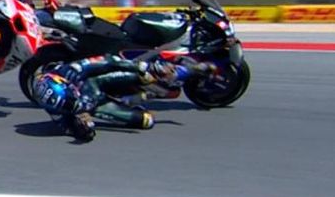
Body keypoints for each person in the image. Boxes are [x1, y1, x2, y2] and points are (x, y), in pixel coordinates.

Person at [32, 53, 215, 141]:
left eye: (69, 102)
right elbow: (73, 129)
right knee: (146, 121)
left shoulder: (73, 71)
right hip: (96, 104)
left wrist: (143, 66)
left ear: (67, 85)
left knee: (147, 75)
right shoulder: (54, 109)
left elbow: (110, 61)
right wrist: (84, 128)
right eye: (66, 107)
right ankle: (139, 98)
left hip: (99, 81)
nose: (70, 107)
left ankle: (190, 70)